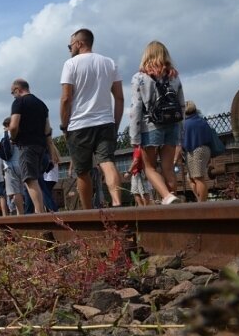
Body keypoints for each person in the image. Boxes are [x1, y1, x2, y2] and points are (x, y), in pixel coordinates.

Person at [59, 28, 124, 209]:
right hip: (105, 122)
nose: (69, 49)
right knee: (107, 161)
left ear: (79, 43)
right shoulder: (109, 63)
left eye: (69, 45)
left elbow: (66, 99)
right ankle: (117, 202)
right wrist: (115, 124)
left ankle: (87, 211)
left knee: (82, 172)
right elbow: (119, 97)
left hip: (79, 125)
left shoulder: (70, 65)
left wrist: (64, 125)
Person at [129, 41, 185, 205]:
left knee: (150, 168)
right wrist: (180, 132)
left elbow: (136, 108)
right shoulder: (174, 76)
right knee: (168, 168)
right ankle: (173, 201)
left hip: (150, 126)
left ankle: (167, 197)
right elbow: (181, 104)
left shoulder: (139, 78)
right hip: (172, 125)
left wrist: (134, 137)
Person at [9, 79, 57, 213]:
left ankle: (40, 213)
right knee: (36, 179)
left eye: (13, 92)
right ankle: (41, 210)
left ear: (18, 90)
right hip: (41, 146)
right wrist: (51, 151)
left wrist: (13, 138)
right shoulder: (42, 104)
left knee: (30, 180)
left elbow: (13, 126)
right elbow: (48, 130)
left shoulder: (19, 102)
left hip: (26, 145)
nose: (13, 95)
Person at [179, 101, 215, 202]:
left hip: (195, 151)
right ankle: (200, 199)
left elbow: (184, 142)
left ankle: (202, 204)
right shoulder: (202, 121)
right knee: (190, 178)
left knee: (198, 178)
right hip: (206, 150)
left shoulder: (186, 124)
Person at [1, 118, 25, 215]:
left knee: (16, 192)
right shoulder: (21, 134)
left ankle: (21, 214)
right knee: (22, 190)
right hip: (22, 164)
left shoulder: (7, 135)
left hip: (10, 166)